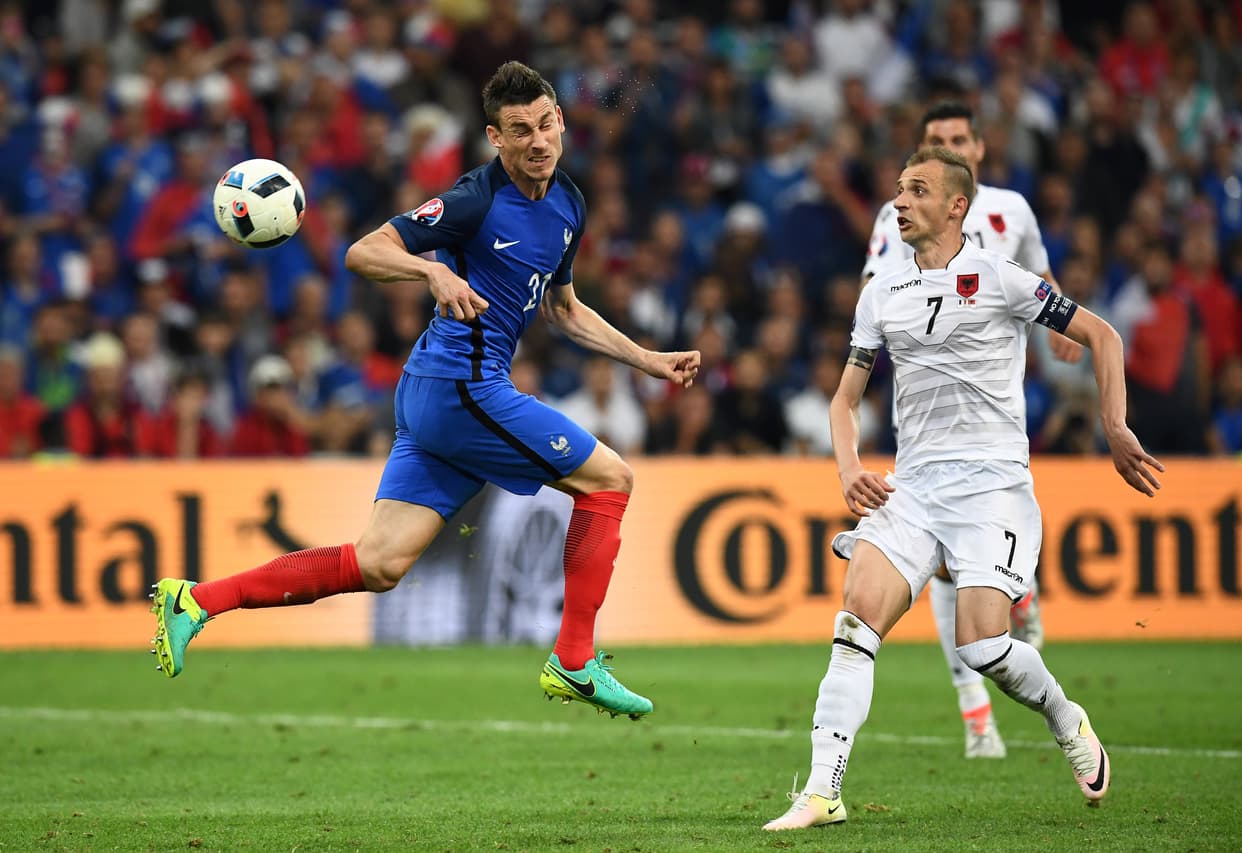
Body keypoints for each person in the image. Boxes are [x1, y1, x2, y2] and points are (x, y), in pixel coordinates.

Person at [148, 62, 700, 720]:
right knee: (609, 479)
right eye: (520, 130)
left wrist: (646, 358)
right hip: (460, 388)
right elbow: (363, 250)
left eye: (547, 123)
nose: (539, 140)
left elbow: (564, 308)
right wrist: (428, 272)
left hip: (439, 390)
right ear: (495, 138)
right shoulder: (473, 199)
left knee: (379, 563)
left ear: (561, 122)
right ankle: (575, 659)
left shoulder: (569, 204)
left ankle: (196, 600)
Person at [763, 148, 1163, 831]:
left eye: (916, 189)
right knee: (856, 620)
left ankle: (1066, 715)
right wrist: (848, 468)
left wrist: (1116, 426)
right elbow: (843, 399)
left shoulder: (1000, 278)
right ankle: (823, 792)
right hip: (913, 489)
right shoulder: (881, 292)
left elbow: (1102, 334)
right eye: (897, 188)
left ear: (956, 206)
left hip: (993, 489)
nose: (899, 199)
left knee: (983, 646)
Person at [860, 100, 1080, 758]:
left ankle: (1021, 592)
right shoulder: (897, 214)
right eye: (934, 140)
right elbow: (877, 290)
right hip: (925, 425)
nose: (948, 146)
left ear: (980, 148)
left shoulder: (1012, 212)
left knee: (977, 573)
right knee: (948, 572)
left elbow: (1042, 281)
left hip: (999, 423)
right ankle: (976, 715)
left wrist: (1061, 338)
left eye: (958, 139)